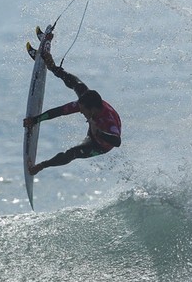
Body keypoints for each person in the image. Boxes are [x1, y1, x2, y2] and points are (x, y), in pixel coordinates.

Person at [23, 32, 122, 176]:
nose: (80, 112)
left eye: (83, 110)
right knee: (78, 85)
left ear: (92, 110)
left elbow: (117, 141)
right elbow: (60, 111)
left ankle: (41, 166)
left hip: (99, 144)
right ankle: (53, 67)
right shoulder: (87, 103)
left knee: (72, 153)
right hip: (95, 120)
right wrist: (36, 120)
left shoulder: (108, 121)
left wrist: (98, 133)